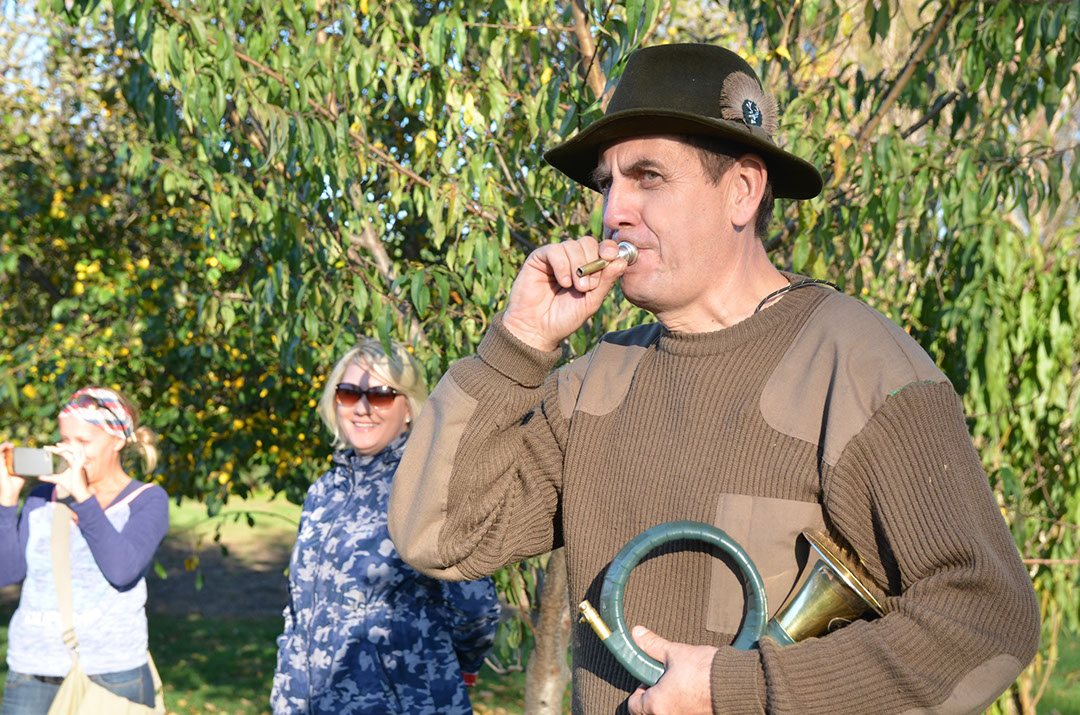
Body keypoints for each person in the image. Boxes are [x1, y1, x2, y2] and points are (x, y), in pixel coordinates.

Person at [388, 43, 1041, 714]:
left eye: (648, 176)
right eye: (607, 183)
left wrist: (735, 690)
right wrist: (518, 344)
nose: (613, 211)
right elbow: (438, 536)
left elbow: (987, 622)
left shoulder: (860, 366)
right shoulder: (595, 384)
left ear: (742, 191)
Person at [271, 338, 501, 714]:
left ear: (408, 408)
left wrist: (447, 669)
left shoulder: (428, 487)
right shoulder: (323, 492)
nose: (362, 408)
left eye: (380, 395)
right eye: (349, 393)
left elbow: (476, 607)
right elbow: (300, 613)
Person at [0, 387, 169, 713]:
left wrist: (83, 498)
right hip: (32, 670)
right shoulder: (42, 497)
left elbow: (122, 571)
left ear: (117, 440)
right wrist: (6, 502)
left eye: (83, 441)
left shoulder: (148, 500)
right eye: (65, 439)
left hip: (112, 673)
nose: (70, 450)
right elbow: (7, 573)